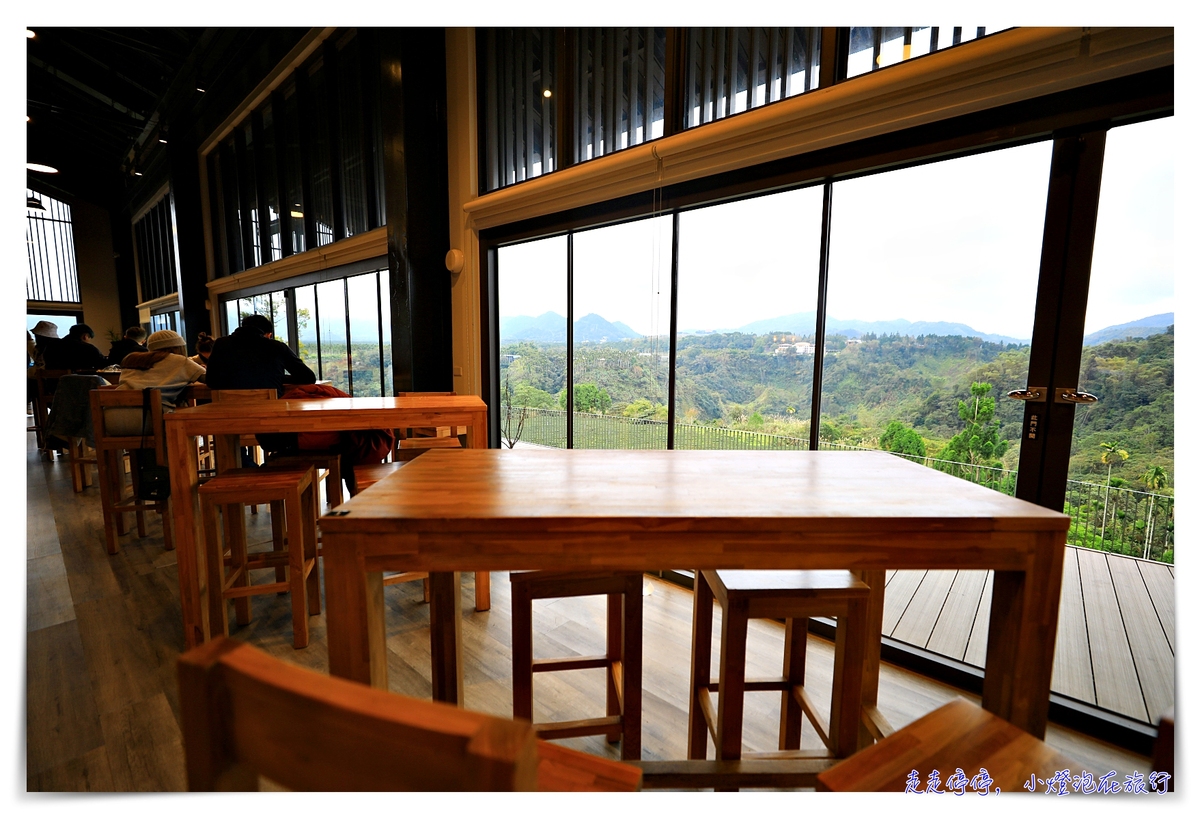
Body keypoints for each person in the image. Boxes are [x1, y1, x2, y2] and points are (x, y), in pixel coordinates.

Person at [106, 329, 207, 435]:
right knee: (185, 424)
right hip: (147, 418)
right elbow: (212, 378)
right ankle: (176, 451)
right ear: (179, 347)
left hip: (112, 417)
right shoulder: (180, 361)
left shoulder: (131, 359)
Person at [205, 314, 316, 395]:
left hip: (226, 415)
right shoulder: (276, 347)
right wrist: (279, 378)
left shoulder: (220, 344)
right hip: (270, 412)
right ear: (267, 334)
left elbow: (211, 381)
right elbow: (308, 377)